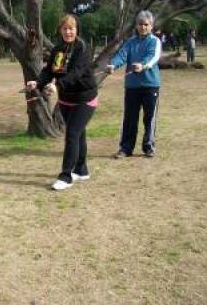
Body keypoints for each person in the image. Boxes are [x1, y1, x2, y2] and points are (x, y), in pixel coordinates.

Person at [26, 15, 98, 191]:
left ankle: (66, 176)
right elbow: (48, 70)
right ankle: (81, 169)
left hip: (85, 99)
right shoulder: (58, 49)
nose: (68, 31)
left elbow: (76, 73)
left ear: (77, 30)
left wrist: (57, 85)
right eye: (65, 28)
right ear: (60, 30)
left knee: (72, 134)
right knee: (78, 134)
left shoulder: (82, 48)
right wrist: (38, 82)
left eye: (71, 28)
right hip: (66, 100)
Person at [107, 10, 161, 159]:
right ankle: (125, 148)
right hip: (132, 87)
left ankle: (148, 147)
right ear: (136, 25)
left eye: (146, 24)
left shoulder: (155, 41)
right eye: (140, 24)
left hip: (151, 85)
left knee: (149, 118)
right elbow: (122, 55)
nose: (143, 27)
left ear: (151, 26)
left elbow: (153, 57)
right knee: (130, 118)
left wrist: (142, 65)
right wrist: (113, 65)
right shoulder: (130, 42)